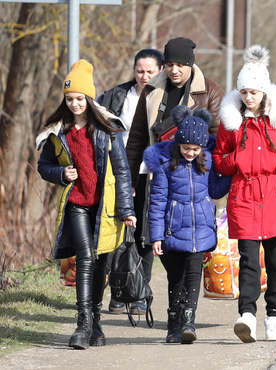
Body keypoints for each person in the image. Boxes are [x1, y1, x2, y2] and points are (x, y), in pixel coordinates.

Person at [36, 60, 136, 349]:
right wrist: (61, 173)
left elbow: (121, 171)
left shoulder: (108, 128)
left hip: (105, 208)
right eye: (70, 99)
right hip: (77, 204)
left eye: (80, 98)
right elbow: (44, 167)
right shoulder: (59, 132)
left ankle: (96, 321)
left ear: (89, 98)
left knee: (101, 261)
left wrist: (127, 210)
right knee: (86, 258)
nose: (75, 104)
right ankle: (82, 325)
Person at [213, 45, 276, 342]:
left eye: (253, 92)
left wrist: (275, 160)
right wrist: (237, 161)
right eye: (244, 92)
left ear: (264, 92)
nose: (248, 97)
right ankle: (248, 316)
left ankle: (274, 316)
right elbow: (219, 159)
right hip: (244, 197)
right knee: (249, 261)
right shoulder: (231, 120)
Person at [125, 37, 224, 314]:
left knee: (190, 252)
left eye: (180, 64)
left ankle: (183, 314)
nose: (174, 70)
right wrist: (130, 181)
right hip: (157, 176)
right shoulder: (152, 90)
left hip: (195, 180)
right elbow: (135, 140)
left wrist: (212, 177)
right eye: (169, 64)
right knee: (159, 242)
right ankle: (157, 299)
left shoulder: (210, 91)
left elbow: (215, 140)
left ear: (191, 64)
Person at [145, 107, 230, 344]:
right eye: (186, 149)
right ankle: (174, 323)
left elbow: (214, 190)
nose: (191, 153)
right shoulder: (165, 165)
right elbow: (158, 201)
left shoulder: (208, 163)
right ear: (178, 144)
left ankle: (189, 322)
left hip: (201, 227)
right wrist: (156, 236)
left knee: (194, 275)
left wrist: (230, 178)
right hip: (174, 229)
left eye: (195, 149)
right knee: (176, 277)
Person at [97, 48, 164, 315]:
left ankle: (138, 292)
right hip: (120, 174)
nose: (144, 76)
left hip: (152, 174)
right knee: (118, 234)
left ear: (160, 71)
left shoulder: (166, 97)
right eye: (139, 71)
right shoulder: (117, 95)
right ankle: (118, 291)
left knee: (144, 235)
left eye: (150, 71)